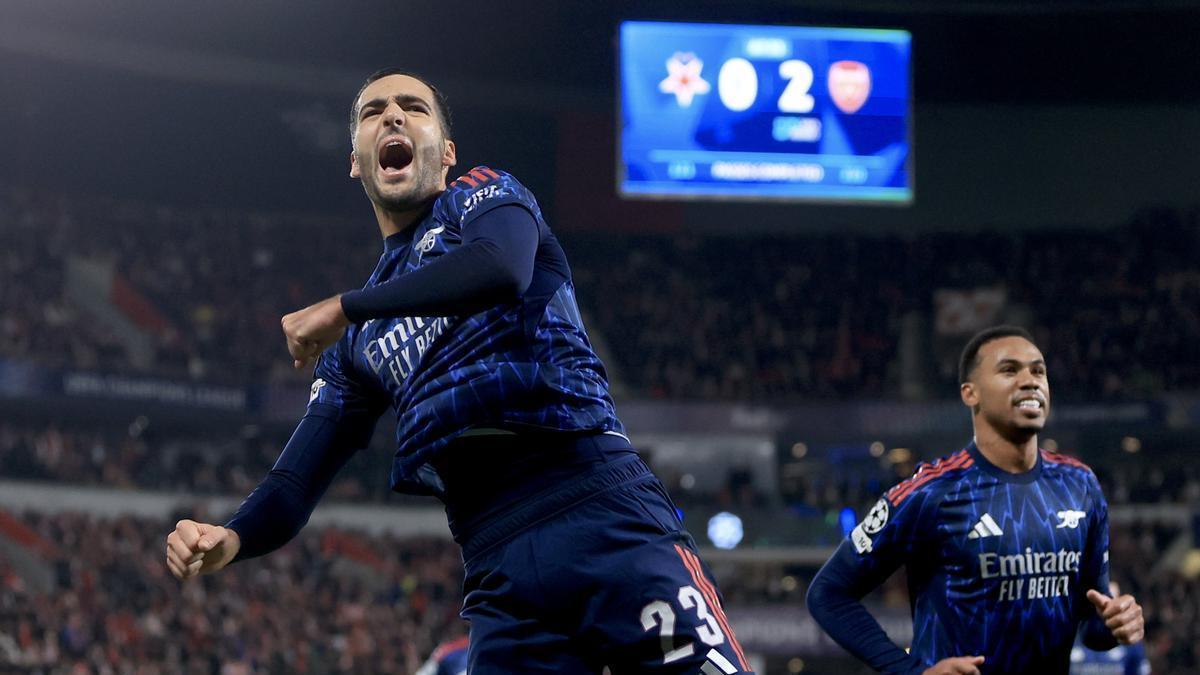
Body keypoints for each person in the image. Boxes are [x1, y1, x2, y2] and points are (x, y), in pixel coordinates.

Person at [164, 68, 750, 675]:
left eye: (412, 107)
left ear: (445, 154)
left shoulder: (484, 197)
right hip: (496, 568)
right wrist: (231, 539)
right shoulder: (356, 343)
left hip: (599, 508)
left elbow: (499, 268)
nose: (391, 116)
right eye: (373, 112)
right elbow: (294, 483)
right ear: (356, 164)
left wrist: (344, 306)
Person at [806, 325, 1144, 674]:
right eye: (1009, 370)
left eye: (1038, 370)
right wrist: (909, 671)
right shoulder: (932, 491)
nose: (1030, 380)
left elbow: (1093, 623)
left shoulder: (1080, 484)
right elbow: (828, 593)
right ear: (971, 393)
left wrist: (1115, 624)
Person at [1069, 582, 1152, 675]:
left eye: (1111, 598)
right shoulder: (1067, 636)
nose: (1104, 603)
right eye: (1100, 597)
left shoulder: (1130, 642)